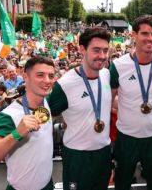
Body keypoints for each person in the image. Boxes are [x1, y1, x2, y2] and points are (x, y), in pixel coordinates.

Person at [109, 15, 152, 190]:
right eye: (145, 33)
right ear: (134, 35)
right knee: (122, 183)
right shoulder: (118, 65)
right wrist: (122, 108)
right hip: (126, 137)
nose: (150, 38)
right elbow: (109, 98)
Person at [48, 27, 113, 190]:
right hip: (77, 156)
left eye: (105, 50)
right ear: (82, 49)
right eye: (96, 50)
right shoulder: (65, 84)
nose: (103, 56)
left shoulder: (106, 74)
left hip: (103, 152)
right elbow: (47, 116)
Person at [0, 56, 55, 190]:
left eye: (51, 76)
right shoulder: (9, 115)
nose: (47, 81)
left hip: (47, 184)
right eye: (40, 75)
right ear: (25, 76)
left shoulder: (45, 101)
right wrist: (16, 134)